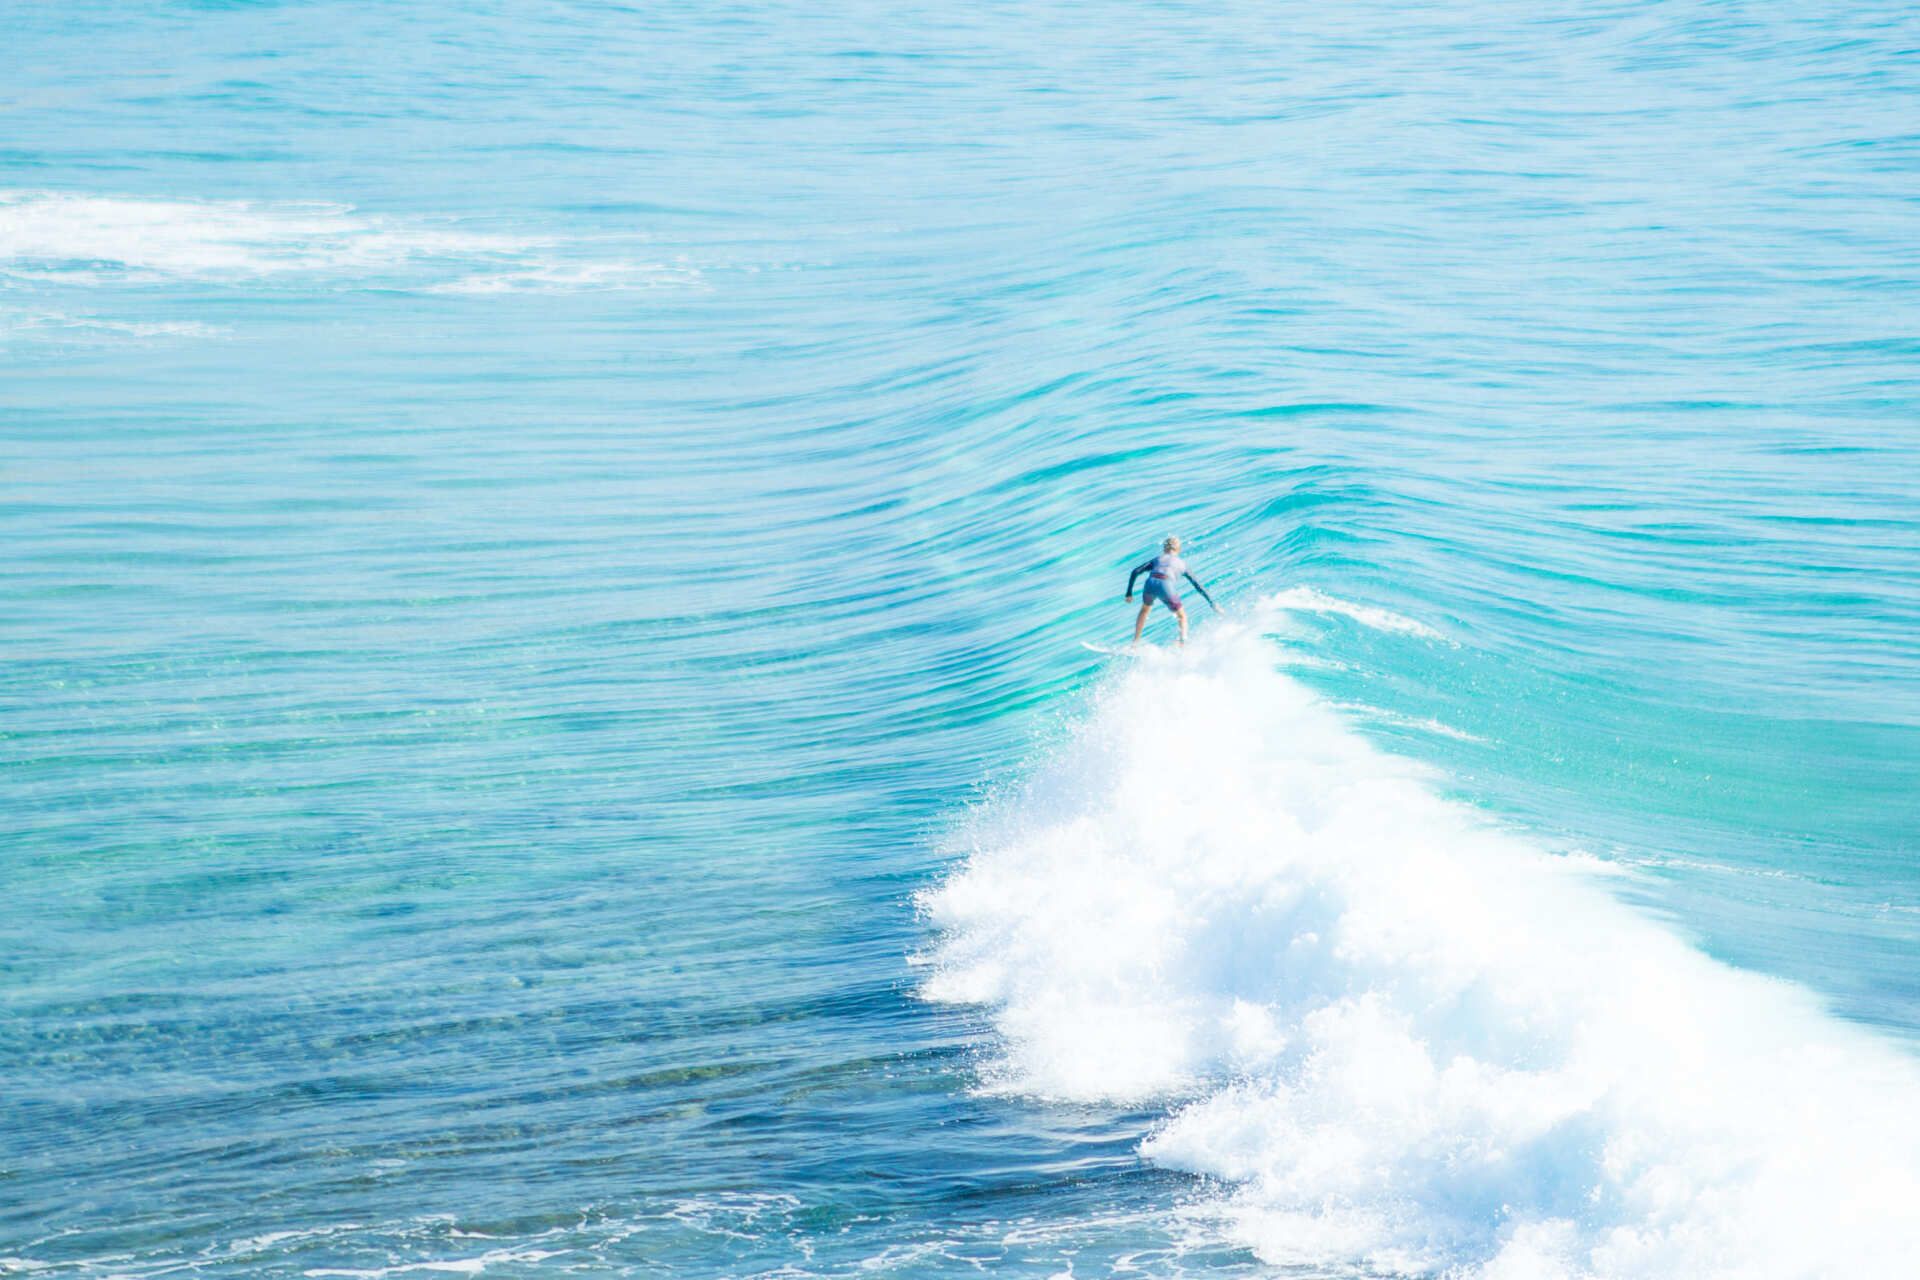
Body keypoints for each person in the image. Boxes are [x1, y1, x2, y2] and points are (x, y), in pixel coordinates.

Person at [1125, 535, 1216, 645]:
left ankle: (1135, 643)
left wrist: (1129, 593)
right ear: (1179, 549)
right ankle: (1183, 644)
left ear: (1164, 549)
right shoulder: (1183, 564)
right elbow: (1198, 586)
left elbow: (1135, 571)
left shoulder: (1157, 559)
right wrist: (1212, 603)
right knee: (1182, 616)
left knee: (1144, 610)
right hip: (1165, 584)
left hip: (1150, 583)